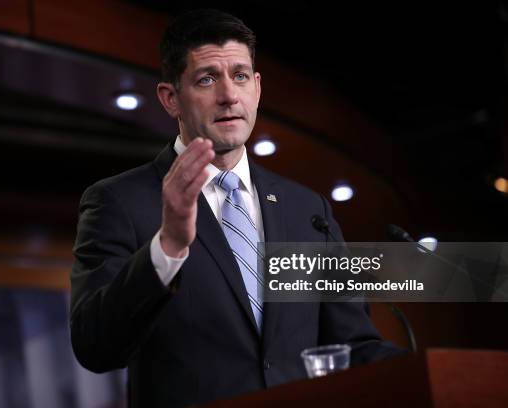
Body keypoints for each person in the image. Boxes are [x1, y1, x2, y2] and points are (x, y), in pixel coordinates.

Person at [70, 9, 404, 408]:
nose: (229, 95)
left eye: (240, 76)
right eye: (207, 79)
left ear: (257, 88)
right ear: (170, 98)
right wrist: (169, 246)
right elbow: (95, 346)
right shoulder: (120, 202)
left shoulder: (306, 209)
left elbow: (353, 343)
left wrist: (434, 370)